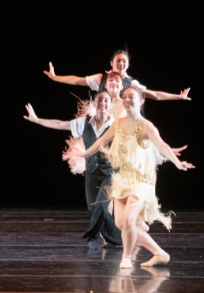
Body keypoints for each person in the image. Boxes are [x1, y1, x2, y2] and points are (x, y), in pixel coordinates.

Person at [69, 86, 194, 268]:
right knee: (121, 224)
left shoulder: (146, 126)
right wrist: (84, 154)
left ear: (141, 100)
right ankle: (160, 253)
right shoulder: (118, 124)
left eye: (132, 97)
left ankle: (126, 258)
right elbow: (100, 142)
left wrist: (177, 162)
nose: (127, 99)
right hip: (122, 180)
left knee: (128, 220)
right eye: (124, 97)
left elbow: (162, 145)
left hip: (141, 181)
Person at [24, 93, 123, 249]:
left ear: (110, 104)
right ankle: (119, 238)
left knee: (102, 207)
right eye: (99, 100)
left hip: (110, 172)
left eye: (106, 100)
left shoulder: (116, 125)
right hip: (92, 171)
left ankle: (93, 237)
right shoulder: (84, 122)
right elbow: (59, 124)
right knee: (93, 208)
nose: (102, 103)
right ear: (94, 103)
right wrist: (37, 120)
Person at [44, 51, 190, 101]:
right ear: (111, 63)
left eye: (124, 61)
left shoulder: (132, 83)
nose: (121, 63)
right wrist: (55, 77)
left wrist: (178, 96)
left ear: (128, 65)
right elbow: (77, 80)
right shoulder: (101, 78)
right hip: (103, 118)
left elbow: (155, 95)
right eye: (118, 60)